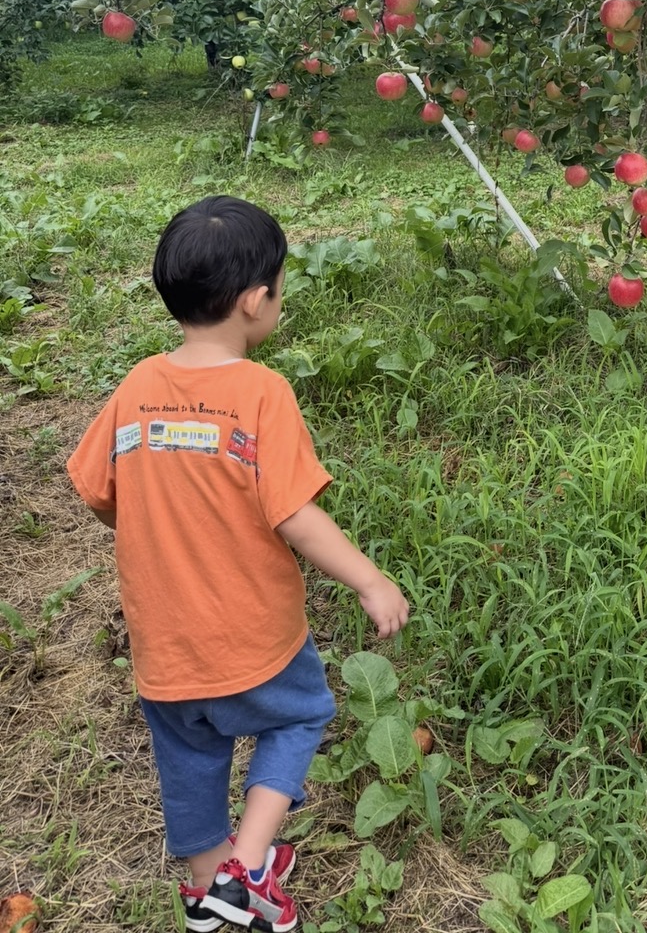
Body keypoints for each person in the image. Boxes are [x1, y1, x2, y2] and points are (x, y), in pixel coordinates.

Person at [67, 195, 410, 932]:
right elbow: (295, 514)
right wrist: (369, 579)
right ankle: (248, 866)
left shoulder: (135, 388)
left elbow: (97, 491)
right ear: (258, 301)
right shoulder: (261, 393)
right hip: (252, 635)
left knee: (189, 763)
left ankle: (206, 897)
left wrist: (158, 523)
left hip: (163, 644)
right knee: (303, 713)